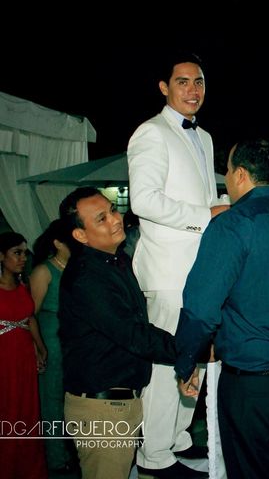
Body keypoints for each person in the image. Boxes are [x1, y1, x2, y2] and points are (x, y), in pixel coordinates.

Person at [174, 138, 269, 479]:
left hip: (255, 389)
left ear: (240, 174)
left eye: (226, 170)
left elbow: (200, 309)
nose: (225, 177)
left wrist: (185, 362)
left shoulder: (232, 225)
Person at [127, 50, 228, 476]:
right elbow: (144, 201)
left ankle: (179, 438)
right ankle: (154, 454)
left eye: (199, 81)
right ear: (164, 88)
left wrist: (226, 207)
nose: (193, 89)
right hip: (168, 272)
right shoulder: (150, 133)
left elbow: (204, 199)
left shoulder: (203, 138)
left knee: (196, 357)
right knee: (168, 362)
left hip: (201, 269)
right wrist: (204, 216)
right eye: (183, 81)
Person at [57, 187, 193, 479]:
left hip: (119, 403)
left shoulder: (114, 263)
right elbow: (134, 334)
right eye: (101, 219)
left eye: (113, 211)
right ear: (80, 235)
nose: (115, 220)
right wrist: (192, 349)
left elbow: (138, 328)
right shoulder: (87, 277)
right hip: (101, 409)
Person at [29, 219, 76, 473]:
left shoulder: (77, 268)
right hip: (52, 339)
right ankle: (56, 458)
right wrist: (38, 348)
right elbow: (30, 313)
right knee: (52, 401)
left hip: (73, 342)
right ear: (58, 243)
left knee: (72, 401)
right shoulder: (44, 271)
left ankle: (70, 451)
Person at [0, 231, 48, 479]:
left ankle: (28, 470)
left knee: (27, 411)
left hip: (23, 357)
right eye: (16, 253)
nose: (22, 258)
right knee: (6, 410)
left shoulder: (22, 286)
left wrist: (40, 349)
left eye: (24, 253)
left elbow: (30, 319)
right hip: (4, 359)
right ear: (1, 256)